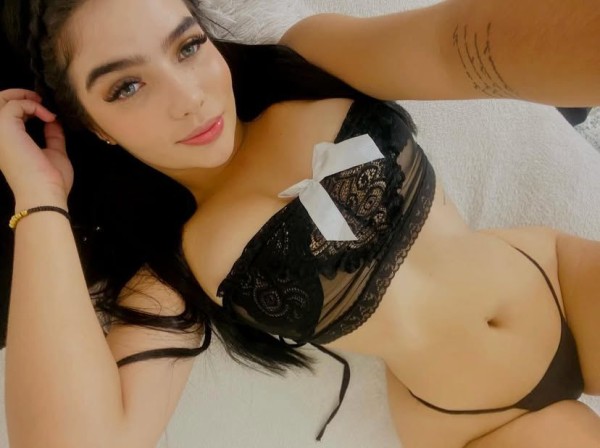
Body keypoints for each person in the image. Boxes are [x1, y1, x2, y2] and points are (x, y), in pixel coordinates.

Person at [0, 0, 599, 446]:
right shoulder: (172, 269)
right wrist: (40, 196)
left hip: (556, 277)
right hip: (476, 419)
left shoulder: (308, 63)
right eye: (127, 86)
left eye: (188, 47)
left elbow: (455, 43)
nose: (189, 97)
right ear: (94, 125)